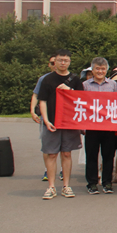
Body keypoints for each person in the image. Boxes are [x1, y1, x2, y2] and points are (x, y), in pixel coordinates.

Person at [38, 49, 84, 199]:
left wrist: (70, 90)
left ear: (69, 62)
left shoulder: (75, 80)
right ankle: (51, 187)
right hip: (52, 122)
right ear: (54, 62)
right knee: (51, 154)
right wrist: (46, 120)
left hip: (69, 122)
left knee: (66, 153)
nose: (63, 63)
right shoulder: (47, 79)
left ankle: (66, 186)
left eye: (66, 60)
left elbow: (82, 100)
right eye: (60, 60)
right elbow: (42, 101)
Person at [82, 57, 117, 194]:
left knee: (108, 156)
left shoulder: (113, 85)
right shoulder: (85, 85)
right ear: (92, 70)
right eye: (97, 69)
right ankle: (92, 183)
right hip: (91, 126)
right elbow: (80, 105)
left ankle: (107, 182)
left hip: (108, 127)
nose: (100, 71)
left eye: (103, 69)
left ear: (107, 70)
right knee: (91, 156)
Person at [32, 55, 59, 182]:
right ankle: (48, 170)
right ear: (49, 65)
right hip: (47, 117)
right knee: (47, 146)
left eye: (56, 62)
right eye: (52, 63)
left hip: (63, 117)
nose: (55, 65)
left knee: (64, 148)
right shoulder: (43, 79)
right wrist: (32, 111)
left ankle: (62, 170)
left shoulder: (68, 78)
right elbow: (36, 95)